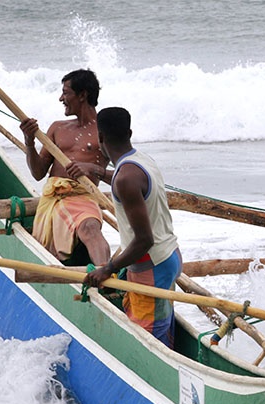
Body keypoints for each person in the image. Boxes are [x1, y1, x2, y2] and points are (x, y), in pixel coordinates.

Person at [84, 107, 182, 348]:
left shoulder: (125, 178)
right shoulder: (141, 161)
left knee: (149, 344)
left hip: (151, 268)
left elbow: (144, 240)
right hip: (169, 256)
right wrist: (99, 172)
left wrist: (107, 268)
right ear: (129, 132)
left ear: (101, 139)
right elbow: (126, 181)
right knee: (160, 331)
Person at [19, 69, 111, 266]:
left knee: (90, 228)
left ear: (83, 95)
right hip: (53, 200)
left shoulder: (104, 131)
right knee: (46, 253)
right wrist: (29, 142)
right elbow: (38, 173)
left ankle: (105, 274)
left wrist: (93, 169)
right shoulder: (57, 128)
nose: (61, 98)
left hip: (83, 197)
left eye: (66, 93)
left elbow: (122, 173)